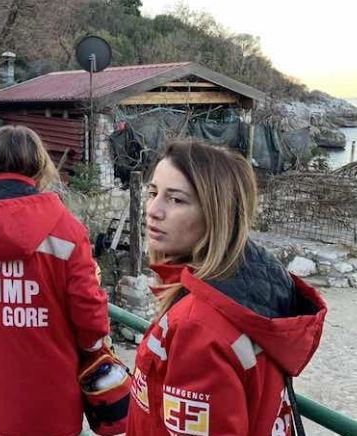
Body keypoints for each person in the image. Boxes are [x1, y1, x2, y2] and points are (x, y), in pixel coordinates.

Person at [126, 139, 327, 435]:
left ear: (215, 214)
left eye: (176, 199)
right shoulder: (256, 289)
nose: (153, 210)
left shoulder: (198, 326)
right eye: (153, 193)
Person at [0, 125, 111, 436]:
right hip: (50, 405)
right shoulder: (68, 231)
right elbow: (90, 319)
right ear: (38, 166)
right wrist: (94, 348)